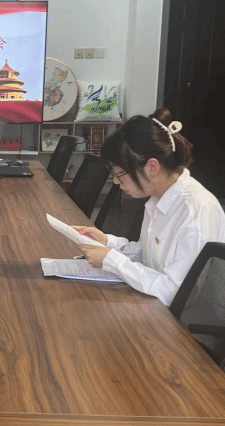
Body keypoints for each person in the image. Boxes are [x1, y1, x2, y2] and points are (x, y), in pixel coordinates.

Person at [74, 107, 225, 306]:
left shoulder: (196, 210)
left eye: (119, 174)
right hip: (157, 307)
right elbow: (148, 257)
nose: (116, 182)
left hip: (188, 320)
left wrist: (112, 261)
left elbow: (176, 294)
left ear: (152, 167)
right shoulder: (157, 198)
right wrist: (108, 242)